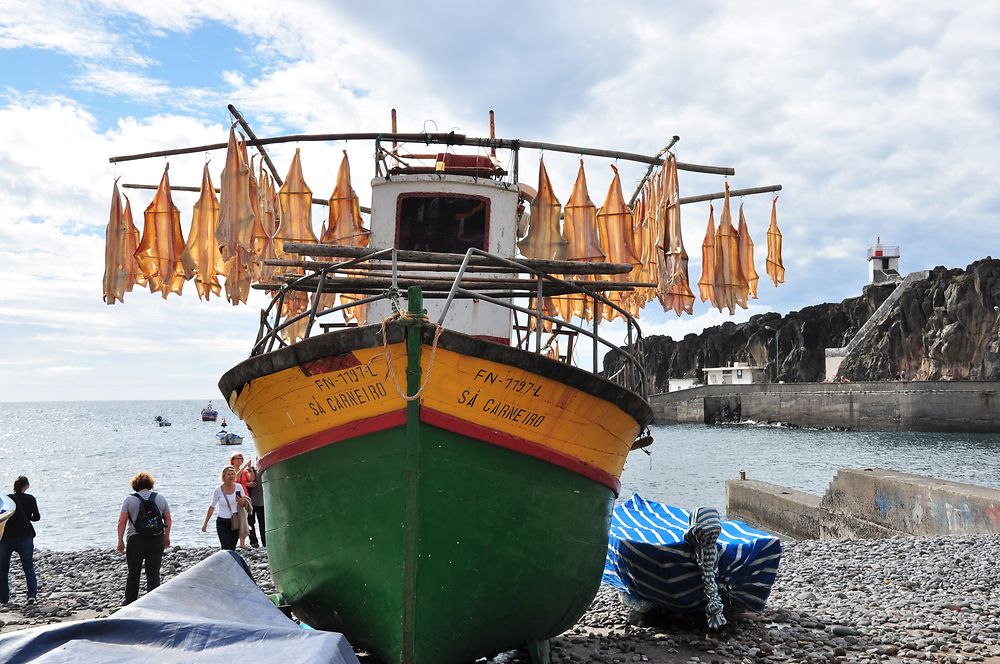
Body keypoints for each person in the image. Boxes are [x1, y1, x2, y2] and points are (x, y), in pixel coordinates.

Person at [116, 471, 171, 605]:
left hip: (136, 539)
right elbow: (168, 519)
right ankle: (153, 602)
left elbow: (122, 521)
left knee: (134, 571)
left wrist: (120, 540)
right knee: (153, 572)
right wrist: (166, 537)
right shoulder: (160, 498)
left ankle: (130, 601)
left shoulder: (129, 499)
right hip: (156, 538)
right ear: (150, 484)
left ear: (135, 485)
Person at [1, 476, 40, 606]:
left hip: (7, 538)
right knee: (28, 568)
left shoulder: (6, 500)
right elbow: (37, 517)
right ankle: (31, 596)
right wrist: (27, 517)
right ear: (26, 486)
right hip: (25, 538)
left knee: (3, 569)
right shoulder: (30, 499)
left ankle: (4, 599)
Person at [201, 465, 250, 550]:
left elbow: (244, 504)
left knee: (232, 547)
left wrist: (241, 501)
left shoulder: (238, 487)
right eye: (228, 474)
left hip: (235, 521)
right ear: (224, 476)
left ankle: (230, 562)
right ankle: (226, 562)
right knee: (225, 547)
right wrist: (205, 523)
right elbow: (212, 507)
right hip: (222, 521)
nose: (231, 476)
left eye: (232, 474)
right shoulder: (218, 490)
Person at [233, 453, 262, 548]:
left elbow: (252, 478)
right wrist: (245, 466)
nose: (240, 460)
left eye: (241, 459)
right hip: (234, 498)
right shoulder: (230, 470)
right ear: (233, 460)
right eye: (238, 458)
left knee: (249, 520)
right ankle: (237, 542)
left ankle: (253, 542)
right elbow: (234, 477)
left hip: (245, 497)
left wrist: (249, 468)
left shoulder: (245, 472)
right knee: (237, 520)